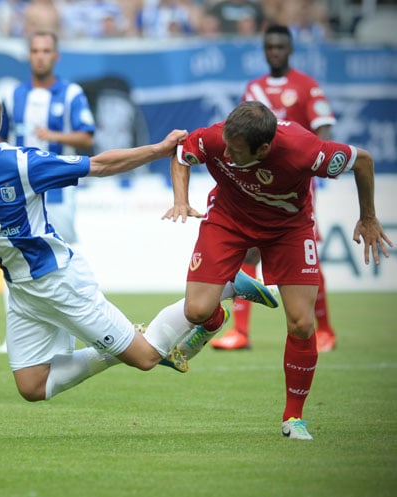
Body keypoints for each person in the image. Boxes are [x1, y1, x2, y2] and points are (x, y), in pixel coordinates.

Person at [0, 89, 278, 403]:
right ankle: (124, 341)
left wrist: (159, 150)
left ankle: (226, 287)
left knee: (146, 357)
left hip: (59, 283)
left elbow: (100, 165)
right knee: (32, 386)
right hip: (22, 292)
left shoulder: (21, 164)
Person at [163, 101, 392, 439]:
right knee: (196, 310)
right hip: (228, 221)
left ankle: (293, 418)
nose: (225, 153)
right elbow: (182, 155)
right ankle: (223, 307)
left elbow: (364, 160)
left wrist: (369, 216)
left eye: (235, 150)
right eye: (225, 143)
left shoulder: (305, 150)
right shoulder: (218, 138)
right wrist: (180, 199)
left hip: (289, 229)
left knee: (301, 323)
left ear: (265, 148)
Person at [213, 23, 338, 352]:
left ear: (290, 49)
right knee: (249, 248)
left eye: (280, 47)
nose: (274, 52)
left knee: (306, 256)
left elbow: (324, 129)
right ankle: (240, 331)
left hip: (295, 184)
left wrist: (313, 163)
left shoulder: (307, 86)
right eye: (269, 47)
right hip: (256, 183)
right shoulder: (254, 89)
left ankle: (325, 329)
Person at [0, 30, 95, 353]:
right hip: (20, 195)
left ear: (56, 56)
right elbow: (0, 138)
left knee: (65, 258)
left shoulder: (71, 94)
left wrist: (53, 134)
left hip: (59, 194)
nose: (40, 55)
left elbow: (87, 138)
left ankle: (77, 326)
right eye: (35, 50)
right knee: (16, 257)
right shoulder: (12, 96)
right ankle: (16, 334)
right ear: (29, 55)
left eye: (46, 50)